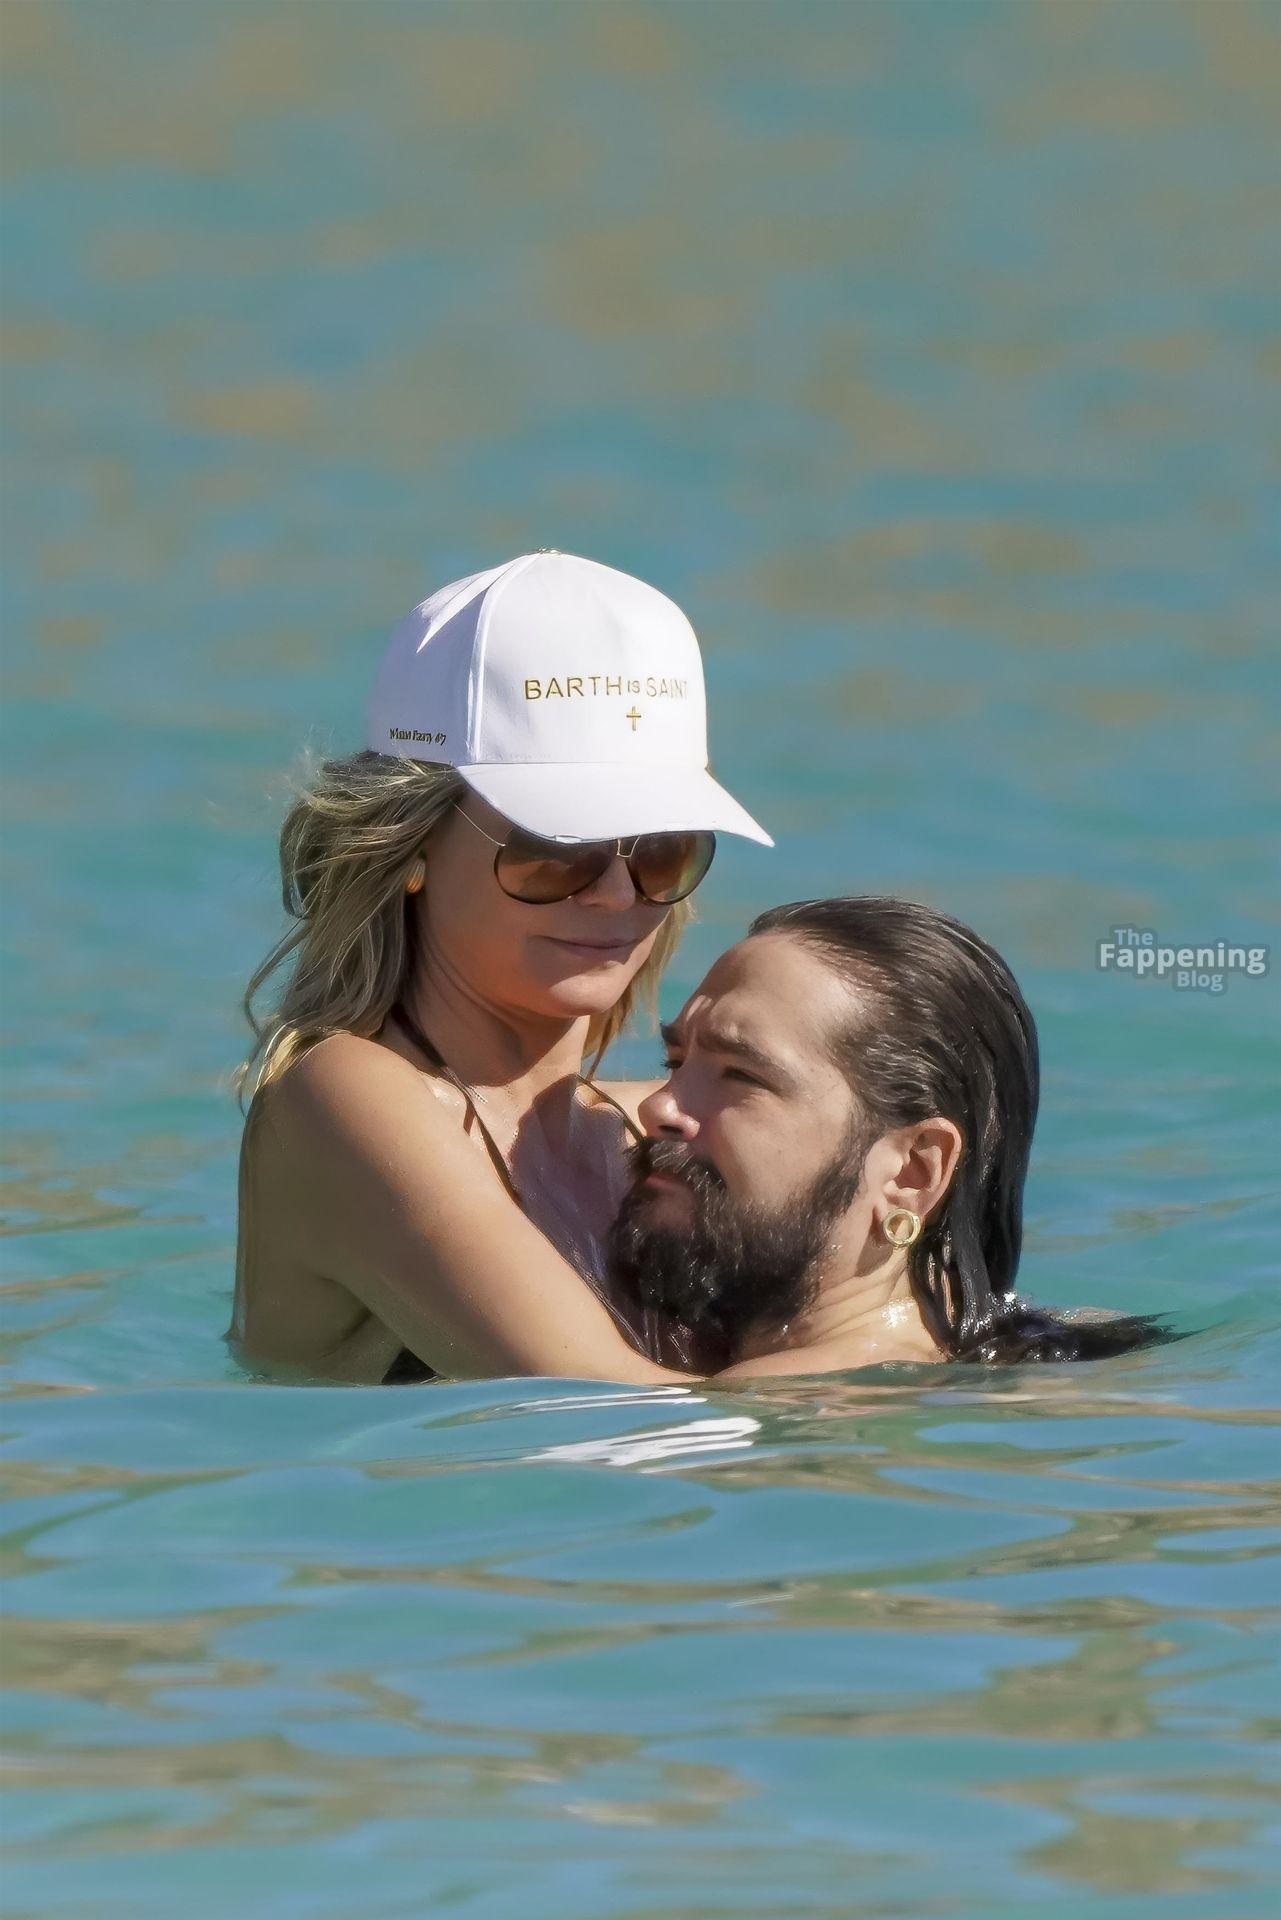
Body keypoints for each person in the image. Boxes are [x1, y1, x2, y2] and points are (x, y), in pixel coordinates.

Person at [227, 548, 772, 1386]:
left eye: (661, 849)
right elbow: (608, 1404)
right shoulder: (341, 1100)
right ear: (409, 844)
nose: (616, 893)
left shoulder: (659, 1127)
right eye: (556, 848)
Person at [610, 896, 1172, 1376]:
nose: (659, 1106)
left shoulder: (793, 1400)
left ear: (911, 1172)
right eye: (674, 1061)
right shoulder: (1012, 1345)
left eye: (742, 1076)